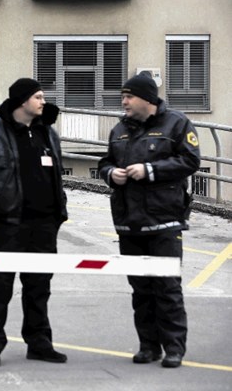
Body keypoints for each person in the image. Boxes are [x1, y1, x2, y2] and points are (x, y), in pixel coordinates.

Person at [98, 73, 201, 368]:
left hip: (165, 223)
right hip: (129, 223)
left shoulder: (177, 124)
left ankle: (173, 348)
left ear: (147, 99)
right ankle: (148, 346)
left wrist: (150, 170)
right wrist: (110, 174)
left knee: (167, 288)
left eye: (129, 96)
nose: (124, 102)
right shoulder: (119, 129)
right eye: (123, 96)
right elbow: (106, 161)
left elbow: (190, 161)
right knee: (141, 290)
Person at [0, 78, 68, 367]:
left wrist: (59, 211)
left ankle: (39, 343)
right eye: (38, 96)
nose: (43, 101)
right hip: (5, 224)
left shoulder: (48, 132)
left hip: (44, 224)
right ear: (23, 101)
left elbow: (57, 174)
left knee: (39, 287)